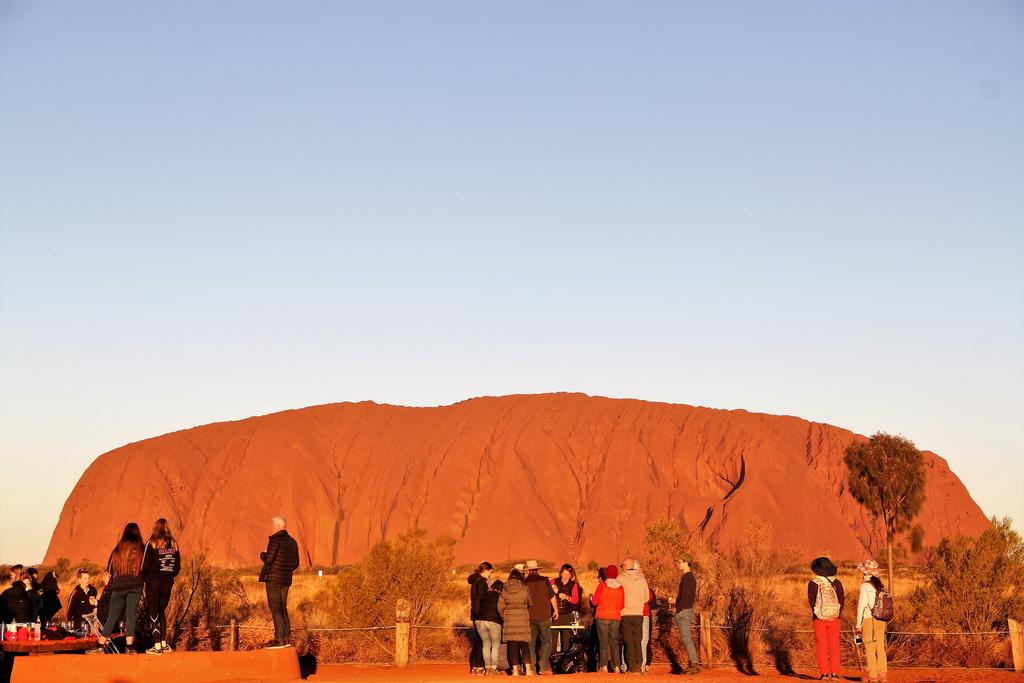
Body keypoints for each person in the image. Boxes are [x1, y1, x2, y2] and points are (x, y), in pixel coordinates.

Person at [98, 522, 146, 653]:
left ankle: (100, 646)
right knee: (130, 616)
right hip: (136, 586)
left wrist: (108, 585)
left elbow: (109, 570)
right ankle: (129, 647)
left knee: (112, 616)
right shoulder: (142, 549)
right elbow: (146, 568)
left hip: (119, 586)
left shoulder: (118, 549)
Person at [259, 516, 300, 648]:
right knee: (283, 608)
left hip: (273, 580)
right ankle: (287, 637)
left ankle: (279, 639)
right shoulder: (293, 542)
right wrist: (286, 570)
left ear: (277, 526)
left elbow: (269, 559)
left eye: (272, 525)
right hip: (286, 580)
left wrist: (262, 554)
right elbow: (296, 563)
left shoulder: (274, 540)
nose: (271, 527)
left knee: (275, 609)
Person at [142, 518, 181, 654]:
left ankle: (157, 646)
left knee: (153, 614)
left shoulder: (151, 543)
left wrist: (145, 579)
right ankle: (164, 644)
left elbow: (144, 566)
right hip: (167, 584)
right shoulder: (174, 544)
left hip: (153, 584)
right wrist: (169, 576)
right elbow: (177, 567)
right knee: (161, 612)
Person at [808, 556, 845, 681]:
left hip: (819, 619)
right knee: (834, 646)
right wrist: (837, 614)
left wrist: (818, 613)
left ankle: (824, 673)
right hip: (835, 618)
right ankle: (834, 673)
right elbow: (842, 600)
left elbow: (811, 601)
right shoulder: (837, 582)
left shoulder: (813, 583)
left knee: (821, 645)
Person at [855, 559, 888, 683]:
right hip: (881, 620)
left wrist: (859, 624)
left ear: (866, 573)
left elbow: (862, 605)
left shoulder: (865, 586)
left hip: (870, 620)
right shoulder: (881, 586)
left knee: (869, 646)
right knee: (879, 646)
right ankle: (882, 674)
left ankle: (873, 675)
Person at [523, 560, 558, 674]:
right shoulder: (545, 580)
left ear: (527, 571)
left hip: (529, 617)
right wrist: (556, 610)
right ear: (538, 570)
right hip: (544, 616)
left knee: (530, 643)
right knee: (546, 641)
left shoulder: (524, 582)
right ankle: (544, 667)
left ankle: (531, 669)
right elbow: (552, 596)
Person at [472, 562, 504, 676]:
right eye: (490, 571)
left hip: (480, 621)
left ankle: (487, 668)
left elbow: (477, 603)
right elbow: (500, 609)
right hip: (493, 621)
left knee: (486, 644)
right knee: (495, 645)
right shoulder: (499, 596)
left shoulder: (484, 593)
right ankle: (493, 668)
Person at [499, 569, 533, 676]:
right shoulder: (525, 587)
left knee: (512, 645)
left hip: (509, 621)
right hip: (522, 620)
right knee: (524, 644)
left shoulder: (504, 588)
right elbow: (530, 602)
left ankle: (514, 671)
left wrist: (504, 617)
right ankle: (528, 670)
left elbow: (500, 606)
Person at [669, 555, 700, 674]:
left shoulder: (687, 577)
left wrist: (677, 609)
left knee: (686, 638)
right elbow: (685, 596)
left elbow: (686, 598)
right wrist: (676, 600)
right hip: (686, 610)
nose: (678, 564)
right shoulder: (688, 577)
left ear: (686, 563)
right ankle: (693, 664)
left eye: (680, 562)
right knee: (686, 638)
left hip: (684, 611)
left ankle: (694, 665)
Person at [591, 564, 624, 673]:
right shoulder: (620, 587)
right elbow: (622, 605)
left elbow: (595, 602)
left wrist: (591, 599)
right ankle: (617, 666)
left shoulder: (602, 586)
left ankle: (604, 666)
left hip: (602, 616)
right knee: (614, 642)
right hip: (615, 617)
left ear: (607, 574)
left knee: (603, 642)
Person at [618, 558, 649, 674]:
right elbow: (646, 597)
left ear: (626, 566)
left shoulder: (620, 578)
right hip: (638, 614)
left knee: (628, 640)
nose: (621, 568)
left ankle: (632, 667)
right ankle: (639, 664)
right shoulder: (642, 579)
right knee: (637, 639)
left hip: (625, 613)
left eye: (622, 566)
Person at [551, 563, 580, 653]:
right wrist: (552, 587)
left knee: (566, 642)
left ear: (571, 575)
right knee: (552, 641)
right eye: (564, 573)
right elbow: (547, 582)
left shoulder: (573, 585)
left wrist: (567, 597)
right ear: (560, 573)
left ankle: (565, 664)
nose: (566, 576)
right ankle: (552, 663)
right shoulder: (555, 581)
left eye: (568, 574)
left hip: (567, 616)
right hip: (555, 616)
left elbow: (576, 600)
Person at [467, 565, 487, 674]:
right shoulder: (481, 582)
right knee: (481, 641)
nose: (490, 574)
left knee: (477, 641)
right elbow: (480, 599)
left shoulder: (475, 580)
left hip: (475, 614)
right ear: (486, 570)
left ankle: (475, 666)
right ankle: (479, 666)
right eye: (490, 571)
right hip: (480, 615)